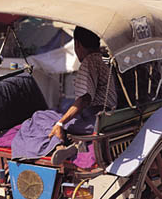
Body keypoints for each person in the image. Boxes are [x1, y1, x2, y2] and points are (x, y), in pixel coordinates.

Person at [48, 26, 117, 163]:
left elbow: (84, 99)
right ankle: (68, 146)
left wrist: (60, 123)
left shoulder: (89, 62)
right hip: (106, 119)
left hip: (94, 121)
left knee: (43, 118)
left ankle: (60, 145)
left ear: (77, 44)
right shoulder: (102, 61)